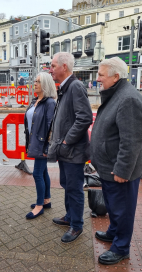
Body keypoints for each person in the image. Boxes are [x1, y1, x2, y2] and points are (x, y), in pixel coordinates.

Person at [90, 57, 142, 265]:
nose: (97, 79)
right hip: (109, 166)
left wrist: (122, 170)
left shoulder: (128, 99)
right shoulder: (117, 94)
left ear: (115, 77)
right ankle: (114, 232)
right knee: (115, 206)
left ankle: (121, 248)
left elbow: (131, 140)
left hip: (119, 170)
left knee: (122, 209)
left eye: (101, 75)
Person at [48, 52, 92, 243]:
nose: (50, 70)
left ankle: (76, 226)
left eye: (52, 66)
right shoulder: (66, 87)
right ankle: (70, 217)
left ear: (63, 67)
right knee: (67, 185)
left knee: (74, 188)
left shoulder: (75, 86)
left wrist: (66, 141)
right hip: (66, 151)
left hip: (72, 150)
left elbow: (85, 118)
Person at [24, 72, 57, 219]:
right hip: (35, 142)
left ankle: (39, 206)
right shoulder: (35, 101)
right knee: (43, 172)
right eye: (35, 81)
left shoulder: (50, 103)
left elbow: (52, 126)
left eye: (38, 81)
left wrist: (46, 147)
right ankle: (46, 200)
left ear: (46, 85)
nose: (35, 83)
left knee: (37, 173)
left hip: (42, 144)